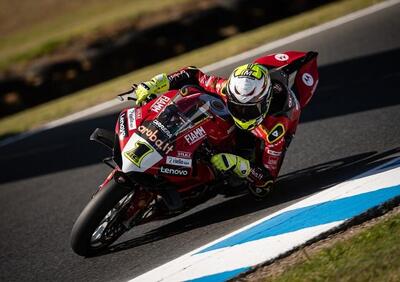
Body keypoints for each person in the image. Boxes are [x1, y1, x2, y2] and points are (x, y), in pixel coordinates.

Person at [134, 51, 319, 201]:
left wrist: (240, 164)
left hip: (267, 129)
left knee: (238, 181)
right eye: (235, 105)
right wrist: (156, 83)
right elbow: (193, 75)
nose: (240, 113)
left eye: (248, 110)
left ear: (264, 103)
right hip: (259, 81)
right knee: (196, 97)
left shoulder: (275, 129)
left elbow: (266, 183)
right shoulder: (226, 87)